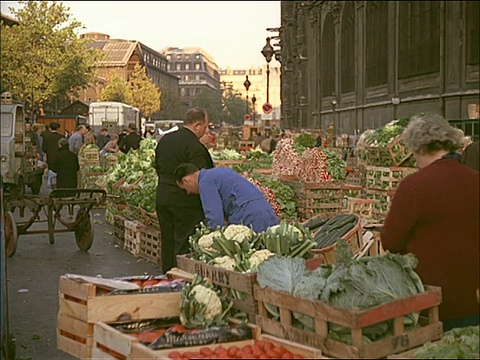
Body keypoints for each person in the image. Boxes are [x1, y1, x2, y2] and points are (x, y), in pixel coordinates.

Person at [380, 113, 479, 332]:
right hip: (471, 297)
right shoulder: (475, 180)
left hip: (429, 302)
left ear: (421, 148)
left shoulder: (414, 186)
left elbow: (390, 240)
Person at [155, 108, 214, 273]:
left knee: (168, 242)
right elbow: (203, 178)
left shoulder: (165, 140)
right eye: (204, 126)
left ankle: (167, 276)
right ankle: (181, 280)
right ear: (196, 125)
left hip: (163, 197)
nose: (205, 131)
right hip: (185, 202)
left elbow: (158, 166)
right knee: (184, 242)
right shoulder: (195, 146)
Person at [175, 163, 279, 232]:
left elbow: (215, 217)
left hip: (248, 215)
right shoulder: (218, 172)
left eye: (185, 189)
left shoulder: (205, 182)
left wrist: (212, 237)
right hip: (265, 210)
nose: (188, 192)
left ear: (186, 181)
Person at [42, 122, 65, 187]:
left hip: (50, 157)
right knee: (59, 170)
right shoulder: (61, 136)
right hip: (60, 156)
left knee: (51, 169)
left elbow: (44, 148)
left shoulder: (46, 137)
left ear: (50, 128)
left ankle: (50, 183)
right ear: (58, 128)